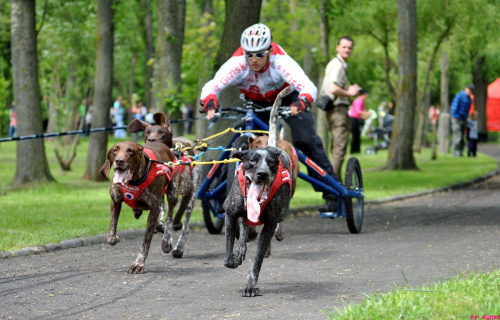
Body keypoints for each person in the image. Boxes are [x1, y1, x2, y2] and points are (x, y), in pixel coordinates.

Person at [200, 23, 340, 212]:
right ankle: (227, 192)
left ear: (269, 50)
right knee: (248, 146)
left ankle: (331, 191)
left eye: (259, 54)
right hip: (256, 103)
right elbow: (212, 86)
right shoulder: (238, 63)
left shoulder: (280, 60)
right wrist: (209, 101)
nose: (254, 59)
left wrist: (301, 102)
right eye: (249, 54)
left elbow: (309, 87)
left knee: (305, 140)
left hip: (288, 100)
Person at [320, 35, 361, 177]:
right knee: (339, 148)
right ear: (337, 47)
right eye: (344, 47)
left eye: (350, 47)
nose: (347, 50)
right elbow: (333, 88)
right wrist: (349, 93)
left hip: (333, 110)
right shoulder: (337, 65)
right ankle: (334, 184)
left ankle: (333, 182)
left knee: (336, 147)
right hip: (338, 110)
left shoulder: (338, 64)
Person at [450, 84, 474, 157]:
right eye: (469, 90)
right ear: (466, 89)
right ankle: (456, 153)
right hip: (457, 119)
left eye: (471, 91)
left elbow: (467, 110)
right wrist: (455, 116)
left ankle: (460, 152)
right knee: (458, 136)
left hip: (464, 119)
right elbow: (454, 107)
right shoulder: (459, 96)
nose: (470, 92)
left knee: (462, 137)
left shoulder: (469, 99)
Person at [348, 89, 372, 154]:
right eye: (367, 95)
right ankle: (353, 151)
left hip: (357, 119)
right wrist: (368, 114)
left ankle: (357, 150)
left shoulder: (361, 101)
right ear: (364, 95)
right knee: (355, 135)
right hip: (354, 119)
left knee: (357, 135)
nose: (367, 96)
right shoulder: (359, 101)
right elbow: (359, 112)